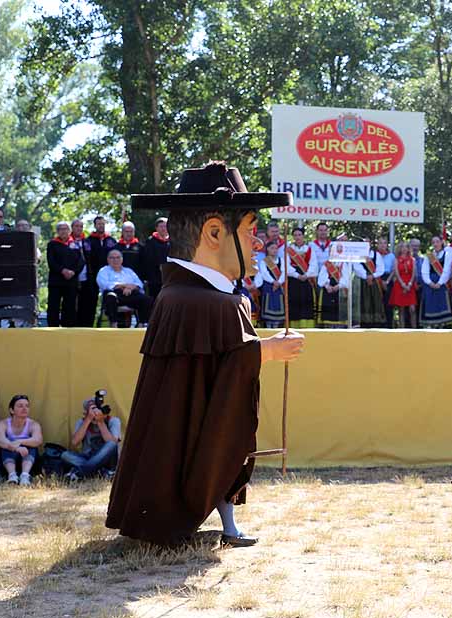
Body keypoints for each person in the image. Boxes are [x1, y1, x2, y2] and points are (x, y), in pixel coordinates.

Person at [107, 162, 304, 548]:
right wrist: (266, 351)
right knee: (212, 443)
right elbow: (224, 370)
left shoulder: (183, 295)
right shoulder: (207, 302)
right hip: (194, 430)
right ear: (214, 232)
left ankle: (220, 518)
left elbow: (207, 378)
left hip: (195, 428)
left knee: (214, 444)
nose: (258, 242)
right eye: (249, 230)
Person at [63, 396, 122, 480]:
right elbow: (74, 442)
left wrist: (100, 421)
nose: (94, 413)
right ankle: (100, 472)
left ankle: (80, 473)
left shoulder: (113, 421)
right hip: (89, 457)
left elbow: (113, 443)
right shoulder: (82, 422)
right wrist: (88, 419)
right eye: (91, 411)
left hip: (108, 461)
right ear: (85, 413)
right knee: (65, 455)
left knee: (111, 444)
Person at [0, 395, 43, 486]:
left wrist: (20, 442)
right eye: (20, 406)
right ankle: (12, 475)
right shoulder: (3, 423)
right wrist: (16, 448)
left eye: (27, 406)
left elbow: (38, 440)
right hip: (8, 458)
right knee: (7, 445)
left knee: (31, 446)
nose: (24, 408)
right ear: (12, 410)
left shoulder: (33, 424)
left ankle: (25, 476)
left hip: (27, 458)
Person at [79, 216, 119, 327]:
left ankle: (109, 324)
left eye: (103, 223)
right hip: (92, 276)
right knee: (90, 302)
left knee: (110, 299)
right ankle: (87, 326)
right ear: (95, 225)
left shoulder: (111, 240)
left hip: (108, 276)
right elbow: (87, 258)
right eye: (98, 224)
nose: (101, 226)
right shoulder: (89, 240)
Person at [97, 249, 152, 327]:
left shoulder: (128, 271)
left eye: (118, 257)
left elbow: (139, 283)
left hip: (130, 293)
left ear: (122, 259)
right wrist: (125, 286)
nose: (115, 260)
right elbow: (105, 285)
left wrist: (130, 288)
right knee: (110, 296)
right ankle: (114, 324)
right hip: (115, 294)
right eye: (112, 258)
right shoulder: (103, 271)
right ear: (108, 260)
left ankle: (142, 324)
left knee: (146, 299)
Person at [46, 221, 85, 327]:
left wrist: (73, 272)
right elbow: (51, 262)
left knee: (70, 307)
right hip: (56, 281)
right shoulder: (52, 244)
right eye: (61, 229)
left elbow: (81, 262)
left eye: (65, 229)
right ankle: (52, 328)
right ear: (57, 231)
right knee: (53, 306)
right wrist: (63, 270)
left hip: (71, 281)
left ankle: (68, 328)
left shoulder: (76, 244)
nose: (63, 231)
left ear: (69, 231)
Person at [285, 226, 318, 328]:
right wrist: (297, 275)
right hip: (294, 280)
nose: (297, 237)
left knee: (306, 303)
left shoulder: (309, 249)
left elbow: (314, 264)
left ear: (303, 236)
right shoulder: (289, 249)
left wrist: (306, 275)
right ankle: (294, 326)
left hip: (306, 280)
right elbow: (287, 265)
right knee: (294, 303)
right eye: (295, 235)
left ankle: (307, 326)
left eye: (299, 235)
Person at [419, 236, 452, 328]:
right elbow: (424, 271)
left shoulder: (447, 255)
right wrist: (430, 283)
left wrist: (439, 283)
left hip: (442, 285)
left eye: (437, 242)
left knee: (442, 306)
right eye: (433, 242)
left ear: (441, 242)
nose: (435, 244)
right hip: (430, 286)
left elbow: (447, 271)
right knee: (431, 306)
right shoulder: (429, 256)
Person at [355, 239, 387, 327]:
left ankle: (377, 323)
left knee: (376, 301)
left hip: (375, 282)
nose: (366, 244)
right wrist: (366, 276)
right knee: (364, 301)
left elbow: (381, 269)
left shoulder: (376, 255)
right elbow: (356, 268)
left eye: (368, 242)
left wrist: (373, 276)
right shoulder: (358, 255)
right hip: (363, 282)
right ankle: (365, 323)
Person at [254, 240, 286, 328]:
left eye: (276, 248)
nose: (274, 250)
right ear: (267, 249)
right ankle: (269, 327)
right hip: (269, 286)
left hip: (279, 287)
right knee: (269, 306)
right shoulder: (264, 261)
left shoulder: (281, 260)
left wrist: (279, 282)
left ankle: (276, 327)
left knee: (278, 307)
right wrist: (273, 282)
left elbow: (284, 272)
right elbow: (264, 273)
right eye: (272, 248)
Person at [389, 241, 417, 327]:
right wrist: (403, 284)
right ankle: (402, 329)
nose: (404, 249)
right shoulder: (396, 260)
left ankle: (415, 330)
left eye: (406, 247)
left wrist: (409, 284)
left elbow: (413, 273)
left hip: (410, 285)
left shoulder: (412, 259)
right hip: (399, 285)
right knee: (401, 309)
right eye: (402, 247)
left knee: (412, 309)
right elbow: (396, 273)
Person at [142, 217, 170, 300]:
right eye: (161, 226)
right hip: (155, 278)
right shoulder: (150, 241)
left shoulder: (172, 241)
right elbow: (148, 260)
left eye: (165, 226)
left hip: (168, 277)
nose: (163, 229)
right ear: (156, 228)